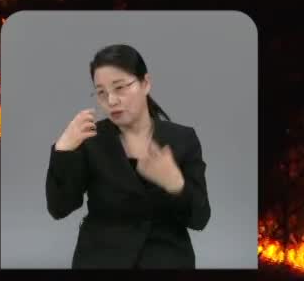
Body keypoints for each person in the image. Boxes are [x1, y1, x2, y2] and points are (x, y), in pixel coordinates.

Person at [45, 44, 211, 268]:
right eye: (101, 92)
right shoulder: (91, 139)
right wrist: (63, 149)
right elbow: (59, 208)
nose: (111, 101)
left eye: (120, 87)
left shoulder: (183, 138)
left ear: (145, 83)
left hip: (165, 258)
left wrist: (176, 185)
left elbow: (200, 219)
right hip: (100, 259)